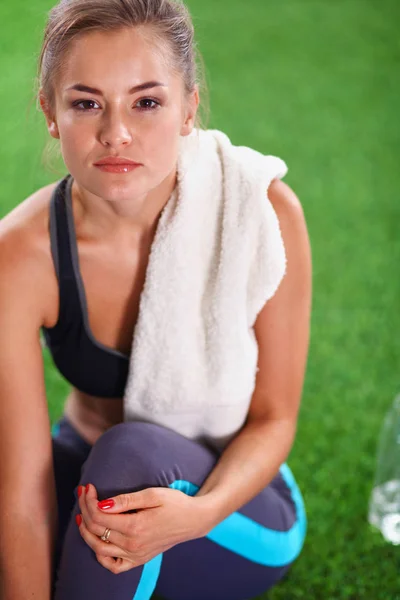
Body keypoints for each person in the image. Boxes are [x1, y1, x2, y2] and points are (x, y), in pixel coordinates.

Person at [0, 0, 312, 599]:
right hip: (93, 477)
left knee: (128, 457)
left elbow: (275, 419)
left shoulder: (261, 213)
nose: (117, 132)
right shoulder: (21, 255)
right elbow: (23, 489)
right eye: (87, 102)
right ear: (50, 111)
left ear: (189, 106)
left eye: (146, 102)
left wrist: (198, 514)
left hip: (234, 505)